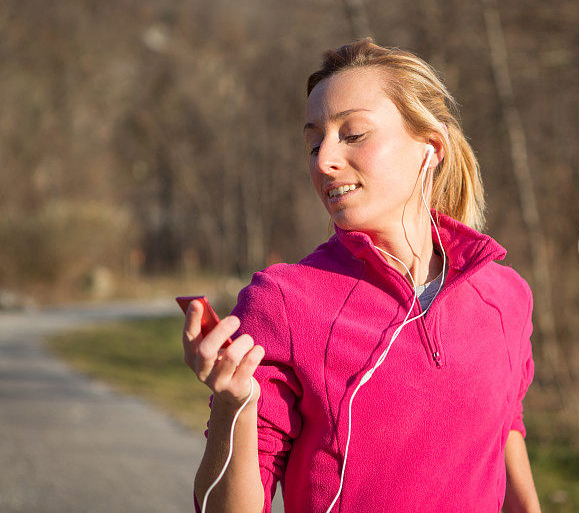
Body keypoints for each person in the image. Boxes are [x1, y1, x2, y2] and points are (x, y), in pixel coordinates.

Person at [182, 38, 540, 513]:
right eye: (313, 143)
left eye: (352, 135)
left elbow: (504, 436)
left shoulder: (505, 296)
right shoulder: (283, 302)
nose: (324, 160)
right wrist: (234, 407)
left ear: (430, 149)